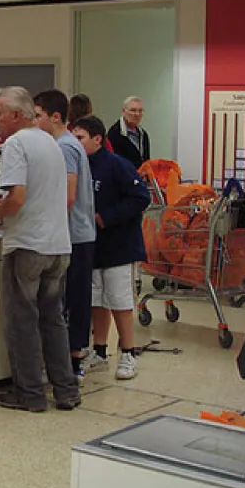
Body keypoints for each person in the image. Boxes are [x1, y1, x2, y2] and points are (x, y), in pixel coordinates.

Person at [0, 86, 79, 412]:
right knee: (53, 320)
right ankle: (66, 391)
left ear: (16, 114)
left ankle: (29, 394)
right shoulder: (50, 142)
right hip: (57, 245)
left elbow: (18, 197)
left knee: (22, 321)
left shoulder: (15, 144)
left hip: (27, 245)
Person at [72, 116, 151, 380]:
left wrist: (106, 217)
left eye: (80, 138)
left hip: (119, 246)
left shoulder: (118, 165)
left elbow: (141, 197)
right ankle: (100, 349)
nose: (75, 143)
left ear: (97, 139)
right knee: (96, 300)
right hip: (91, 246)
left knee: (119, 300)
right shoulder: (78, 167)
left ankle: (128, 353)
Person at [34, 90, 97, 381]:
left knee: (69, 300)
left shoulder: (65, 148)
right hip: (75, 233)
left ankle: (70, 363)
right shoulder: (67, 145)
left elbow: (68, 196)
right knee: (70, 299)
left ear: (55, 117)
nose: (35, 123)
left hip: (73, 235)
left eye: (38, 116)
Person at [106, 96, 151, 169]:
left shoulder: (143, 134)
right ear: (123, 111)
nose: (137, 114)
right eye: (133, 110)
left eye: (140, 111)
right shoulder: (114, 134)